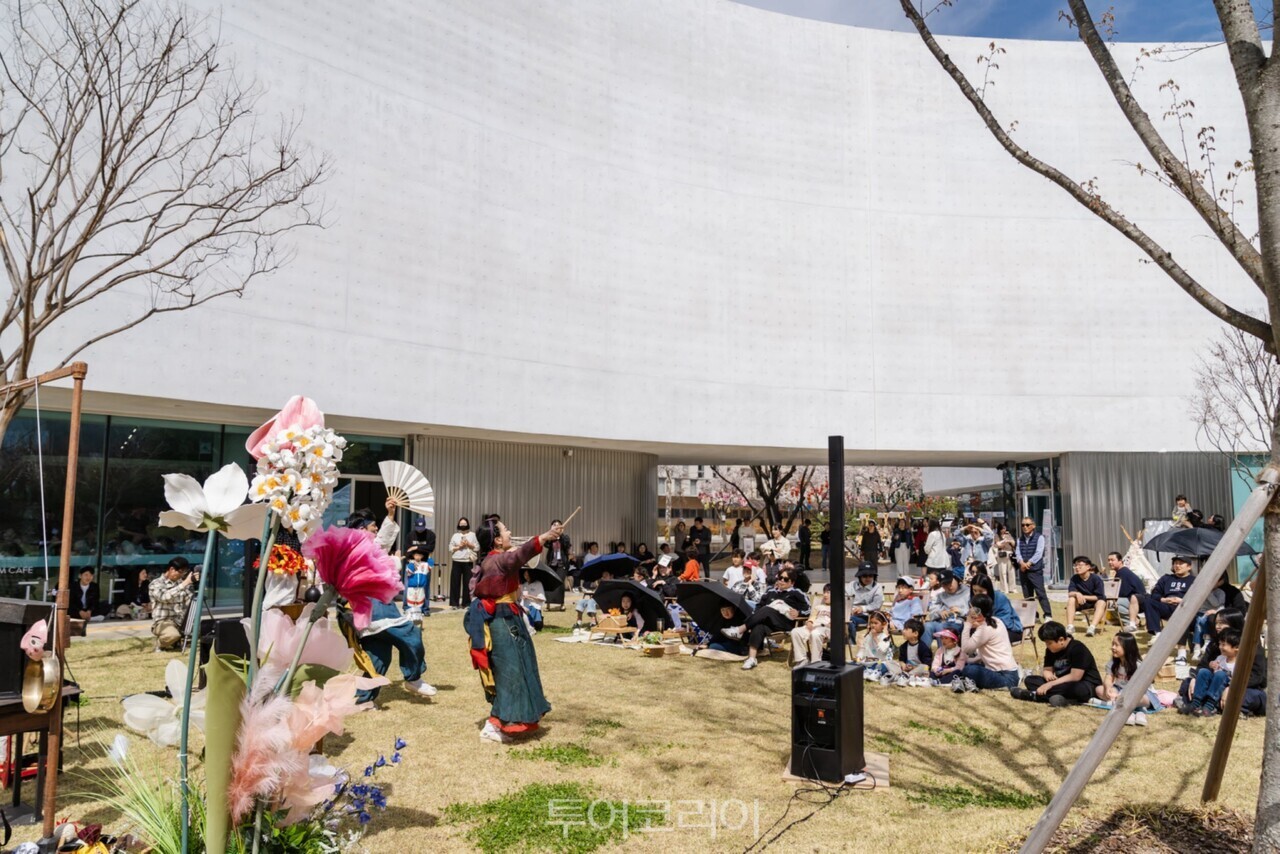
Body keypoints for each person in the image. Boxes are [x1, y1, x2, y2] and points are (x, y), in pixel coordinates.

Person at [465, 516, 563, 743]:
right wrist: (545, 537)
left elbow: (519, 555)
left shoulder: (497, 558)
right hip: (501, 621)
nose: (510, 532)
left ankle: (514, 718)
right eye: (506, 530)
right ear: (497, 540)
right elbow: (520, 554)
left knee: (521, 667)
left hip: (510, 617)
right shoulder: (496, 561)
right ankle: (495, 724)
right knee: (510, 673)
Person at [348, 514, 436, 702]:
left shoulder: (360, 548)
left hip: (370, 608)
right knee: (411, 634)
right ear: (362, 529)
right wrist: (395, 561)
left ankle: (364, 700)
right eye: (373, 525)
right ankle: (413, 677)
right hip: (376, 607)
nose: (376, 529)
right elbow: (379, 563)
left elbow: (381, 545)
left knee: (379, 656)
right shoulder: (358, 547)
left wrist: (389, 514)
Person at [1011, 621, 1102, 706]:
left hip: (1085, 685)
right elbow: (1047, 669)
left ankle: (1033, 696)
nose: (1047, 646)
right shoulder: (1051, 650)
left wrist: (1051, 684)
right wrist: (1048, 675)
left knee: (1074, 689)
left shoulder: (1078, 649)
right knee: (1030, 680)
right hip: (1059, 683)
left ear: (1061, 640)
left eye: (1049, 643)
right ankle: (1063, 699)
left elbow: (1075, 676)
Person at [741, 569, 810, 671]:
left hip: (785, 624)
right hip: (769, 624)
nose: (781, 580)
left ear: (792, 582)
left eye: (785, 579)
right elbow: (758, 606)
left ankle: (740, 629)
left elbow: (808, 609)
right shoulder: (770, 592)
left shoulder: (796, 593)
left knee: (767, 609)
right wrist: (757, 616)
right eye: (780, 578)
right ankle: (752, 658)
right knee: (758, 626)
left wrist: (798, 612)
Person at [957, 595, 1020, 692]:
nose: (969, 611)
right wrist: (969, 660)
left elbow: (966, 648)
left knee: (969, 670)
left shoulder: (984, 629)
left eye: (971, 608)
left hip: (1005, 678)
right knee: (969, 667)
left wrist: (967, 624)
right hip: (1008, 673)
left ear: (978, 611)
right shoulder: (997, 620)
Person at [1100, 631, 1157, 726]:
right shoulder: (1113, 663)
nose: (1113, 647)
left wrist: (1124, 695)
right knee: (1099, 690)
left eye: (1116, 645)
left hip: (1140, 694)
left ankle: (1138, 711)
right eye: (1113, 644)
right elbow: (1108, 678)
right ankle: (1129, 706)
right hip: (1119, 690)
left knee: (1132, 699)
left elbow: (1142, 687)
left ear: (1127, 648)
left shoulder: (1138, 665)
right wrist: (1108, 689)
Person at [1192, 571, 1247, 660]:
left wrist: (1219, 612)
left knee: (1211, 619)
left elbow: (1241, 611)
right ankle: (1195, 648)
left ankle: (1206, 644)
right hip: (1204, 615)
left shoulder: (1232, 591)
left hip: (1228, 619)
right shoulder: (1204, 590)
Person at [1185, 629, 1241, 716]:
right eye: (1220, 644)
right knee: (1203, 671)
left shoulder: (1238, 664)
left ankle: (1210, 705)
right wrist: (1211, 664)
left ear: (1236, 647)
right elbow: (1212, 665)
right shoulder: (1220, 658)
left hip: (1222, 688)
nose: (1220, 647)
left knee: (1220, 674)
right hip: (1213, 683)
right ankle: (1196, 702)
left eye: (1224, 645)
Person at [1144, 555, 1196, 641]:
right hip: (1167, 606)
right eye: (1175, 563)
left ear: (1189, 567)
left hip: (1184, 607)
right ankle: (1157, 634)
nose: (1177, 566)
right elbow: (1155, 593)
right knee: (1148, 601)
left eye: (1181, 563)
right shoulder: (1166, 578)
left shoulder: (1194, 580)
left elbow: (1197, 597)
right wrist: (1163, 599)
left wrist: (1182, 601)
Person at [149, 557, 196, 650]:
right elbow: (164, 597)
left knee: (203, 630)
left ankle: (176, 641)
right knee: (172, 635)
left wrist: (192, 584)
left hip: (180, 621)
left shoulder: (182, 583)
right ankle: (160, 644)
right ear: (171, 569)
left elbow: (189, 601)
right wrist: (184, 584)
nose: (182, 575)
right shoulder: (156, 583)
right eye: (181, 572)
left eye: (184, 572)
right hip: (163, 622)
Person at [1015, 517, 1053, 622]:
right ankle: (1033, 615)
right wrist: (1021, 562)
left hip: (1035, 570)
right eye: (1023, 525)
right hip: (1023, 570)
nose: (1025, 527)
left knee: (1040, 593)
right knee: (1027, 594)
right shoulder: (1020, 539)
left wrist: (1029, 563)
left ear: (1033, 526)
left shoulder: (1039, 537)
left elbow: (1039, 553)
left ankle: (1048, 615)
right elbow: (1017, 553)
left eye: (1027, 525)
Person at [969, 574, 1022, 645]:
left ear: (988, 589)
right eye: (975, 591)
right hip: (985, 628)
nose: (977, 594)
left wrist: (982, 623)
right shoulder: (973, 600)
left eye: (981, 591)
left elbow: (1005, 621)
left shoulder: (1000, 598)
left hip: (1009, 629)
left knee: (986, 637)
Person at [922, 572, 970, 649]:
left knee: (941, 627)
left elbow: (973, 611)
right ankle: (923, 656)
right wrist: (940, 613)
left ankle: (943, 655)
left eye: (950, 583)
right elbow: (931, 614)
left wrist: (961, 611)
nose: (949, 587)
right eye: (945, 585)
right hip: (942, 621)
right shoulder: (941, 596)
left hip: (958, 621)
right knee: (927, 626)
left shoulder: (968, 592)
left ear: (956, 580)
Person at [1105, 551, 1147, 633]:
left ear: (1120, 561)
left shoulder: (1123, 573)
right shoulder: (1121, 572)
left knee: (1111, 603)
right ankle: (1132, 620)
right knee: (1111, 602)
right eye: (1108, 560)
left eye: (1112, 560)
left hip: (1138, 601)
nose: (1110, 562)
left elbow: (1122, 593)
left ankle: (1133, 622)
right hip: (1133, 600)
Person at [791, 584, 832, 667]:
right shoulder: (819, 606)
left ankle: (815, 662)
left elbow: (839, 621)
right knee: (795, 631)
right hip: (814, 627)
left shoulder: (838, 607)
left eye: (828, 592)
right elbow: (812, 617)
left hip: (827, 628)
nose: (825, 595)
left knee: (815, 633)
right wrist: (810, 623)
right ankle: (802, 660)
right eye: (824, 592)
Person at [1065, 556, 1106, 637]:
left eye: (1080, 565)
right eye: (1075, 565)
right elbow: (1070, 593)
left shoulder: (1096, 579)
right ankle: (1070, 627)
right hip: (1080, 603)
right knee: (1071, 599)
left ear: (1088, 567)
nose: (1077, 567)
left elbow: (1099, 596)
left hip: (1094, 603)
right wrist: (1077, 594)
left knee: (1101, 602)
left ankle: (1092, 627)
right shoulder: (1074, 578)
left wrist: (1083, 596)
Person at [846, 563, 884, 639]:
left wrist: (862, 608)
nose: (868, 578)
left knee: (849, 621)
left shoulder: (877, 587)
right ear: (859, 576)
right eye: (864, 576)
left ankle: (851, 643)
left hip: (867, 616)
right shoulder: (851, 585)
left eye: (870, 576)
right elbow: (844, 599)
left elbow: (876, 605)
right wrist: (850, 610)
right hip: (849, 613)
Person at [890, 617, 933, 684]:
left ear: (915, 633)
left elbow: (927, 665)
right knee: (891, 662)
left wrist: (913, 667)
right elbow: (901, 660)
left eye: (906, 629)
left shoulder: (923, 648)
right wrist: (903, 665)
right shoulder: (903, 646)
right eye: (904, 628)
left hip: (917, 670)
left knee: (924, 667)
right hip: (906, 669)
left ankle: (905, 676)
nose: (903, 631)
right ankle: (903, 675)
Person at [448, 517, 479, 608]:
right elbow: (450, 548)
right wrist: (459, 546)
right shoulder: (455, 535)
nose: (463, 526)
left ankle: (466, 603)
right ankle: (454, 603)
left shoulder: (473, 535)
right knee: (455, 582)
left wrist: (469, 544)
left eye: (464, 524)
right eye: (461, 524)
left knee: (467, 583)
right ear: (458, 525)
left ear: (468, 524)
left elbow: (477, 547)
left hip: (468, 561)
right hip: (456, 561)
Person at [858, 611, 896, 681]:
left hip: (880, 661)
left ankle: (875, 673)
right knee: (857, 665)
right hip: (869, 662)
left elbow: (883, 650)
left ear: (883, 624)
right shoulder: (868, 636)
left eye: (876, 623)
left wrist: (875, 637)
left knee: (882, 666)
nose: (873, 625)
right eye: (871, 623)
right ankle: (867, 671)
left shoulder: (885, 637)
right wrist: (859, 656)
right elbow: (863, 649)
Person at [990, 522, 1017, 593]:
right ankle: (1004, 588)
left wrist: (1009, 540)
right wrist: (1004, 541)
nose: (1004, 530)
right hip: (1002, 554)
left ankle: (1012, 588)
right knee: (1002, 572)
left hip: (1010, 554)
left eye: (1004, 528)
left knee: (1011, 571)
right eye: (1002, 528)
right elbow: (998, 545)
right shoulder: (996, 536)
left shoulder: (1008, 535)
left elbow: (1013, 543)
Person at [519, 567, 546, 633]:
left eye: (527, 575)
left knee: (532, 608)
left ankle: (531, 624)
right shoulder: (524, 585)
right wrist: (522, 596)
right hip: (525, 605)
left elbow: (542, 599)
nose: (526, 577)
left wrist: (530, 596)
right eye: (525, 575)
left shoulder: (538, 584)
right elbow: (520, 597)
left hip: (534, 605)